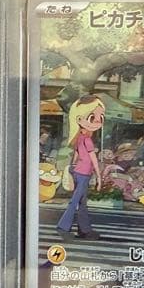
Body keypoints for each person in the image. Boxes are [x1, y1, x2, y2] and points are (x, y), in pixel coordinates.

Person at [56, 95, 105, 240]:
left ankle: (85, 229)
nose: (98, 121)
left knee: (82, 202)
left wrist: (73, 167)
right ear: (79, 119)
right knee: (76, 200)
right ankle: (63, 226)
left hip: (79, 172)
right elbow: (93, 159)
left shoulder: (80, 138)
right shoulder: (87, 140)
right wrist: (99, 177)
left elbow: (77, 155)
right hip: (83, 173)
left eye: (101, 117)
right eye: (92, 117)